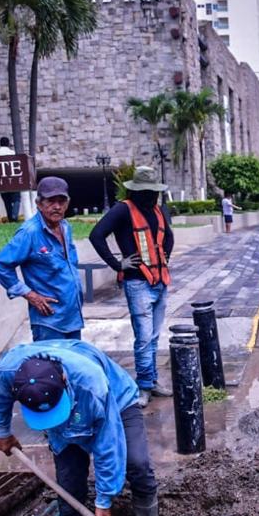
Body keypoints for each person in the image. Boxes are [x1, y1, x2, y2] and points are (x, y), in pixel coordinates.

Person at [0, 340, 161, 516]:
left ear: (63, 379)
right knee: (69, 483)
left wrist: (104, 500)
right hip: (65, 416)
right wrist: (2, 431)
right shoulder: (8, 371)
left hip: (117, 400)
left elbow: (107, 445)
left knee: (137, 464)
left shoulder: (92, 383)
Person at [89, 166, 174, 407]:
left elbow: (168, 236)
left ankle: (152, 380)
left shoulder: (157, 210)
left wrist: (165, 257)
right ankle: (144, 385)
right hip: (137, 283)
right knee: (144, 337)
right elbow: (97, 235)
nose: (151, 196)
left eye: (154, 192)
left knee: (155, 337)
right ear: (136, 192)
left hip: (160, 281)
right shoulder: (122, 210)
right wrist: (118, 264)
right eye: (147, 192)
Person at [0, 176, 84, 341]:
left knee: (71, 365)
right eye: (50, 201)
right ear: (39, 204)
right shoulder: (30, 232)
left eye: (61, 201)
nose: (57, 206)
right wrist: (30, 294)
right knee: (49, 366)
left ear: (67, 204)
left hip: (72, 317)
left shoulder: (65, 227)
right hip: (49, 321)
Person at [0, 137, 20, 222]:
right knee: (17, 198)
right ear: (8, 143)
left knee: (6, 201)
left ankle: (10, 218)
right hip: (13, 180)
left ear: (0, 143)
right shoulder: (13, 153)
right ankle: (14, 215)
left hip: (2, 180)